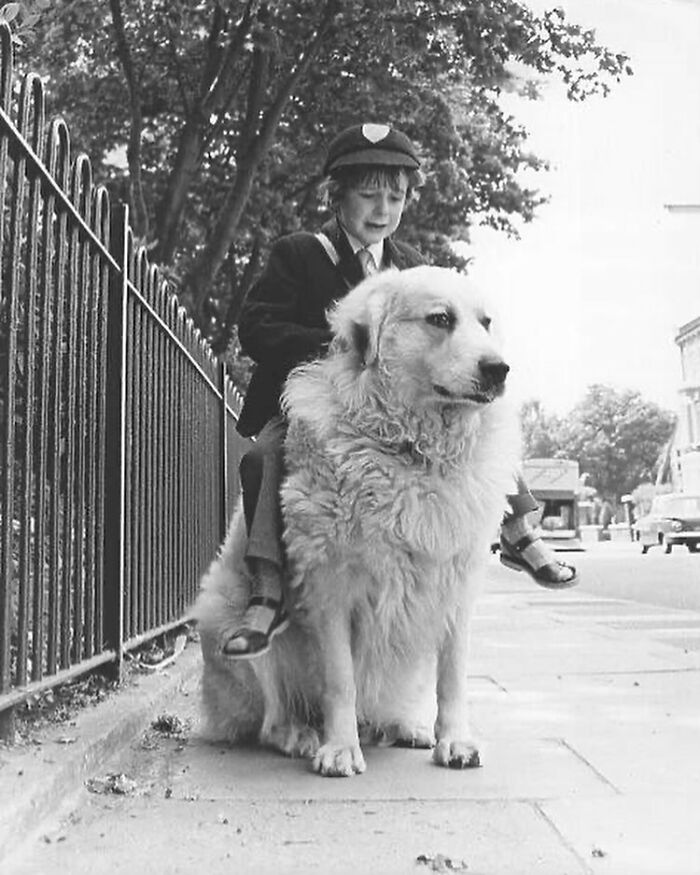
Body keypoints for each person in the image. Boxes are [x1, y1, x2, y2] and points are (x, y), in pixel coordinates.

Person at [225, 123, 578, 659]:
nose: (382, 209)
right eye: (368, 195)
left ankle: (518, 530)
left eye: (395, 196)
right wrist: (341, 340)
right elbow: (256, 327)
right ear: (337, 195)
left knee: (483, 430)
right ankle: (267, 588)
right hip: (312, 404)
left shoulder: (411, 263)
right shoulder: (300, 253)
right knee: (263, 458)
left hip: (388, 406)